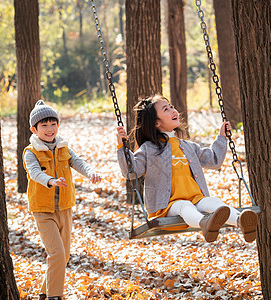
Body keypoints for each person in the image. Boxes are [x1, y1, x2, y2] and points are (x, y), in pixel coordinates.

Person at [116, 94, 258, 243]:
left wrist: (222, 138)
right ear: (156, 123)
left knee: (214, 202)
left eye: (172, 107)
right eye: (166, 109)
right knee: (185, 205)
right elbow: (131, 171)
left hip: (196, 199)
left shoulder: (188, 146)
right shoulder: (149, 149)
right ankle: (205, 223)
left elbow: (214, 160)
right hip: (166, 207)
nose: (173, 110)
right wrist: (122, 147)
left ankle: (241, 221)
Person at [23, 100, 102, 300]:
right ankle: (54, 297)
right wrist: (50, 181)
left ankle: (44, 292)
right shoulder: (30, 152)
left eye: (53, 124)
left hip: (64, 208)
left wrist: (90, 173)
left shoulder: (63, 147)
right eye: (44, 125)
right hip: (43, 210)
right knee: (57, 253)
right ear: (34, 129)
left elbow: (77, 162)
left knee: (63, 256)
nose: (50, 129)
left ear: (58, 125)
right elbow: (33, 173)